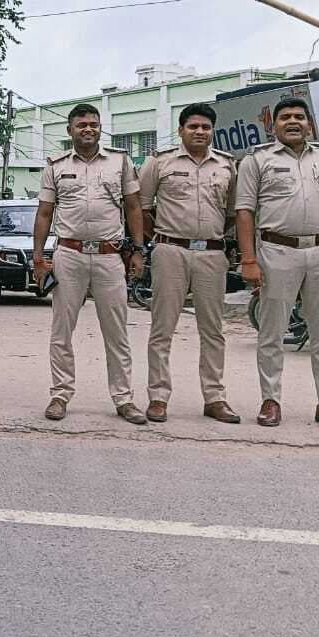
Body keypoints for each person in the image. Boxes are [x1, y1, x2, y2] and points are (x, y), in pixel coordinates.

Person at [236, 96, 319, 429]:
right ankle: (270, 401)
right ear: (274, 125)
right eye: (285, 117)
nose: (293, 121)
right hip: (276, 252)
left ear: (309, 124)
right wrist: (249, 260)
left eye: (300, 116)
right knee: (272, 331)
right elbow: (244, 212)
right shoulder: (257, 160)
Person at [32, 104, 147, 425]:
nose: (89, 129)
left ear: (100, 129)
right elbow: (44, 213)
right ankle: (60, 394)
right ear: (70, 131)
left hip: (111, 256)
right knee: (62, 331)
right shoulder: (55, 166)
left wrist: (138, 250)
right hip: (69, 254)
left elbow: (134, 207)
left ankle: (124, 399)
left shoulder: (120, 162)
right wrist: (38, 257)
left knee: (117, 331)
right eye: (82, 124)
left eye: (94, 125)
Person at [137, 103, 240, 424]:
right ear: (181, 130)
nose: (199, 131)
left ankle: (215, 397)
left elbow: (233, 213)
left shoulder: (227, 166)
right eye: (193, 126)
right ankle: (158, 396)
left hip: (212, 253)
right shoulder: (159, 162)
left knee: (213, 330)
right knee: (162, 328)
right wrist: (160, 239)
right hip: (170, 252)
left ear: (212, 131)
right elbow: (142, 208)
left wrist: (215, 239)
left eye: (205, 127)